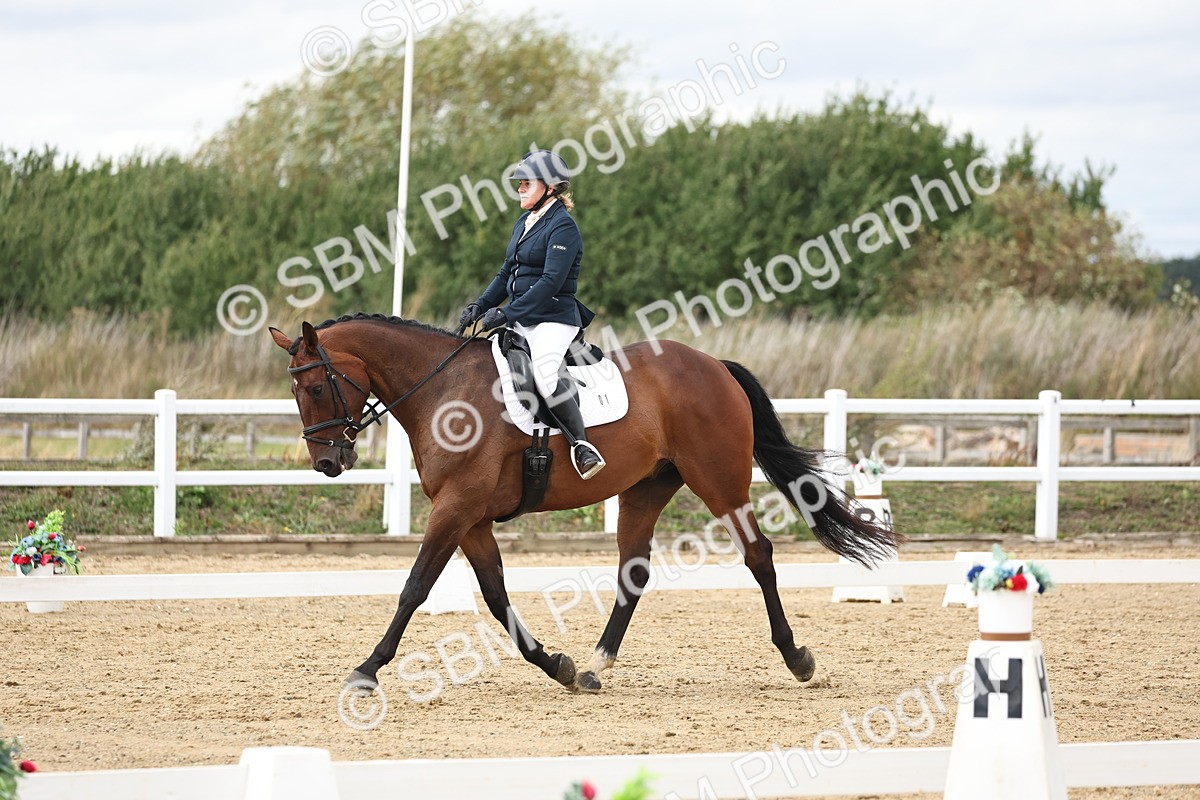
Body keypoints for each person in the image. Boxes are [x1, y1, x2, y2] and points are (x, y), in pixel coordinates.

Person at [459, 149, 605, 480]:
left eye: (527, 183)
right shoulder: (525, 223)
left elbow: (550, 282)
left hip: (554, 318)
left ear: (550, 187)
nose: (520, 188)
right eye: (519, 183)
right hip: (523, 318)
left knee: (544, 373)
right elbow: (506, 272)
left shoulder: (563, 227)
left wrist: (508, 312)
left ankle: (582, 447)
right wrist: (480, 305)